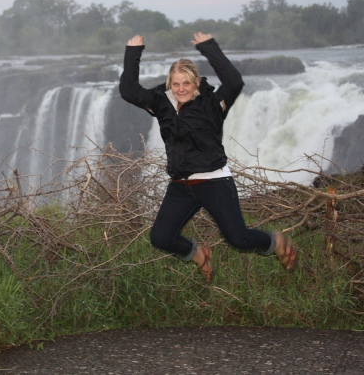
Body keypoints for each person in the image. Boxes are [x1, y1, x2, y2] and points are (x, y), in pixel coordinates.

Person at [119, 32, 296, 282]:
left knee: (239, 239)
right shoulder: (161, 103)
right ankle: (198, 254)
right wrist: (132, 51)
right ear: (170, 83)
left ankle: (275, 243)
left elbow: (234, 81)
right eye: (176, 83)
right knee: (161, 238)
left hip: (214, 182)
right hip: (181, 186)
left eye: (186, 83)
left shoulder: (213, 103)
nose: (181, 89)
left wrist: (208, 47)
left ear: (195, 83)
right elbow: (128, 90)